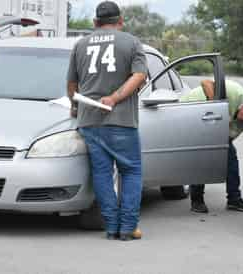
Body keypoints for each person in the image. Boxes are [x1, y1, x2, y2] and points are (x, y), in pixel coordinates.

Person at [67, 1, 148, 241]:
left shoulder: (80, 44)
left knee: (102, 174)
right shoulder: (132, 43)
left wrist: (75, 106)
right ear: (120, 21)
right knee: (131, 171)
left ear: (95, 23)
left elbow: (72, 86)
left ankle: (111, 227)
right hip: (121, 121)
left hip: (90, 121)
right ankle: (127, 227)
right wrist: (114, 98)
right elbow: (140, 76)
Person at [180, 79, 243, 213]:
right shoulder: (236, 91)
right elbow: (206, 82)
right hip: (188, 114)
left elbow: (229, 137)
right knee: (201, 159)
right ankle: (197, 201)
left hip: (208, 126)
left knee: (231, 159)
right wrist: (217, 108)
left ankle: (234, 200)